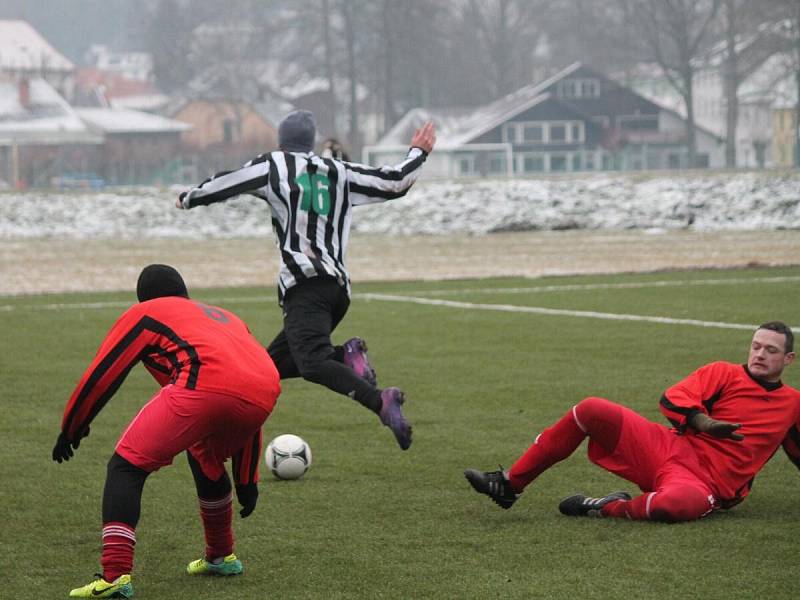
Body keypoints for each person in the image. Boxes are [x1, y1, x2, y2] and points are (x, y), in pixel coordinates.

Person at [176, 110, 436, 451]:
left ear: (281, 140)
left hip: (306, 285)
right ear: (311, 142)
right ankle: (344, 357)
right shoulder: (338, 171)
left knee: (313, 363)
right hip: (337, 290)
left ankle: (378, 400)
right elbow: (394, 183)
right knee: (266, 369)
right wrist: (419, 152)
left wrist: (190, 197)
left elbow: (229, 182)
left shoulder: (274, 166)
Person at [52, 264, 281, 598]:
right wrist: (247, 479)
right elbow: (244, 388)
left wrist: (72, 426)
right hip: (266, 390)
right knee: (204, 453)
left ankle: (115, 577)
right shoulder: (223, 316)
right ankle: (221, 555)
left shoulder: (147, 312)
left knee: (126, 466)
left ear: (143, 298)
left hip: (206, 383)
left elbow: (105, 372)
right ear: (184, 293)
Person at [465, 321, 800, 522]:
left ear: (788, 359)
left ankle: (607, 507)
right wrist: (704, 423)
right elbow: (674, 398)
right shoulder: (722, 372)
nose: (759, 354)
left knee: (673, 506)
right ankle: (510, 484)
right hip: (670, 449)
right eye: (756, 346)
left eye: (770, 350)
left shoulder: (793, 404)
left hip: (708, 485)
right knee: (592, 408)